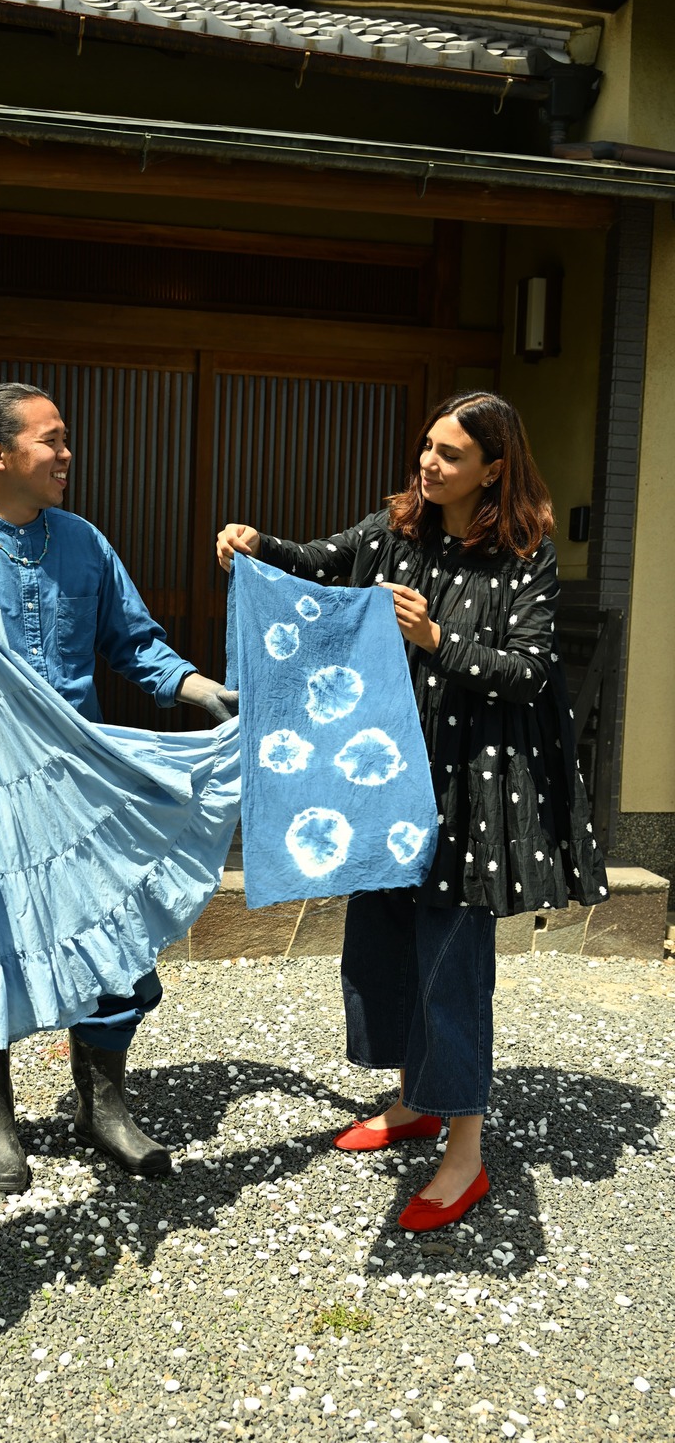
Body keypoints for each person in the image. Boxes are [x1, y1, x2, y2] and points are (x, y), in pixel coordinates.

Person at [216, 391, 607, 1233]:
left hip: (473, 787)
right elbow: (319, 562)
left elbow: (532, 673)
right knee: (384, 939)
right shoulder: (398, 528)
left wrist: (438, 642)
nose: (430, 464)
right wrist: (256, 546)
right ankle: (414, 1100)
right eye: (428, 447)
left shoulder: (525, 553)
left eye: (451, 455)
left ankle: (465, 1153)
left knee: (453, 965)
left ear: (494, 468)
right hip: (389, 780)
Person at [0, 381, 236, 1193]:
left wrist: (204, 693)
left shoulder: (85, 543)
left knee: (115, 936)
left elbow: (137, 646)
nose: (67, 454)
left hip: (77, 780)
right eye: (52, 440)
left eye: (65, 441)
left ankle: (103, 1104)